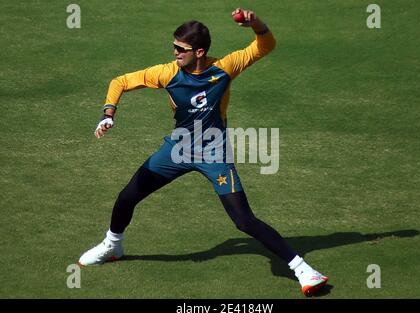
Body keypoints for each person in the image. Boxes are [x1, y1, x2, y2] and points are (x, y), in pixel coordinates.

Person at [79, 8, 328, 297]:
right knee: (127, 196)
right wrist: (109, 113)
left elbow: (265, 45)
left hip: (214, 152)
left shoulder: (224, 68)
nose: (174, 53)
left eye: (180, 49)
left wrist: (254, 23)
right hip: (179, 148)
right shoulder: (167, 73)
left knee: (243, 220)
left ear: (199, 52)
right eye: (173, 47)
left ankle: (303, 270)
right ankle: (113, 245)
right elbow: (119, 82)